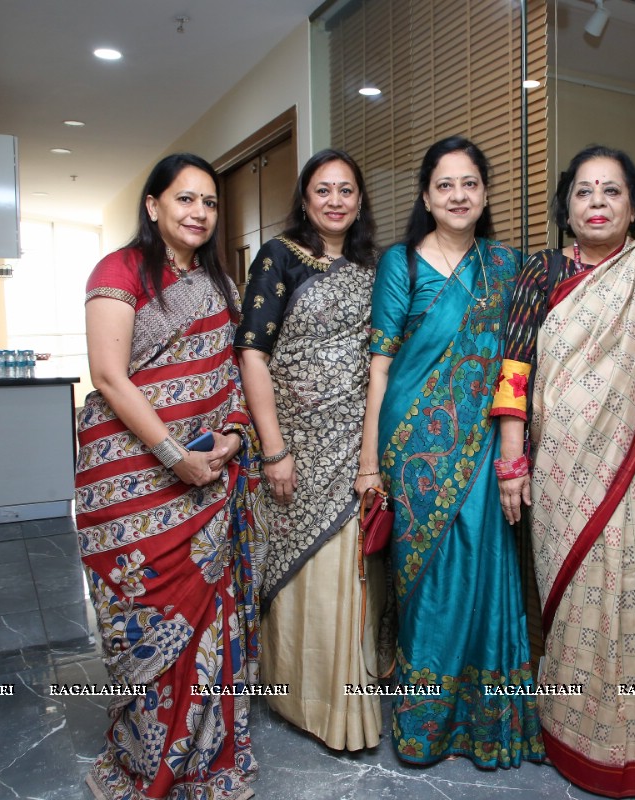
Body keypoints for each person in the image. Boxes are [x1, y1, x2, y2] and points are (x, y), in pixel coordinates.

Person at [492, 144, 635, 797]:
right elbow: (514, 368)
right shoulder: (539, 272)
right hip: (559, 468)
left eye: (611, 191)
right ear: (566, 206)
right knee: (570, 603)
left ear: (634, 205)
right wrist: (513, 460)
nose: (597, 202)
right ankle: (572, 732)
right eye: (585, 191)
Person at [76, 153, 262, 799]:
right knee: (145, 623)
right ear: (153, 205)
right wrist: (172, 456)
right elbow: (108, 376)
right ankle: (144, 761)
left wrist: (236, 435)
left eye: (209, 203)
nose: (198, 213)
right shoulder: (120, 270)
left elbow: (234, 375)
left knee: (209, 624)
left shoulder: (222, 287)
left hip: (208, 484)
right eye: (185, 199)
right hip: (131, 482)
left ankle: (207, 759)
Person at [362, 135, 544, 768]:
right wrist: (369, 461)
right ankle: (426, 723)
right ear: (426, 196)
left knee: (485, 567)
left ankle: (486, 721)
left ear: (485, 193)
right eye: (445, 185)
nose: (458, 195)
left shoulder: (508, 267)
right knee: (427, 580)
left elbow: (522, 362)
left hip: (487, 442)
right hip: (412, 451)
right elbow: (380, 370)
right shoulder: (401, 264)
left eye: (469, 183)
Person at [235, 149, 385, 749]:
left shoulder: (374, 268)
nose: (335, 201)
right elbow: (252, 351)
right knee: (299, 570)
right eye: (323, 190)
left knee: (349, 574)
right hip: (294, 443)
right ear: (304, 199)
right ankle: (295, 694)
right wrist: (273, 449)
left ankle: (344, 705)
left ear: (359, 200)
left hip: (356, 443)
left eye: (346, 190)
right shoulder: (279, 259)